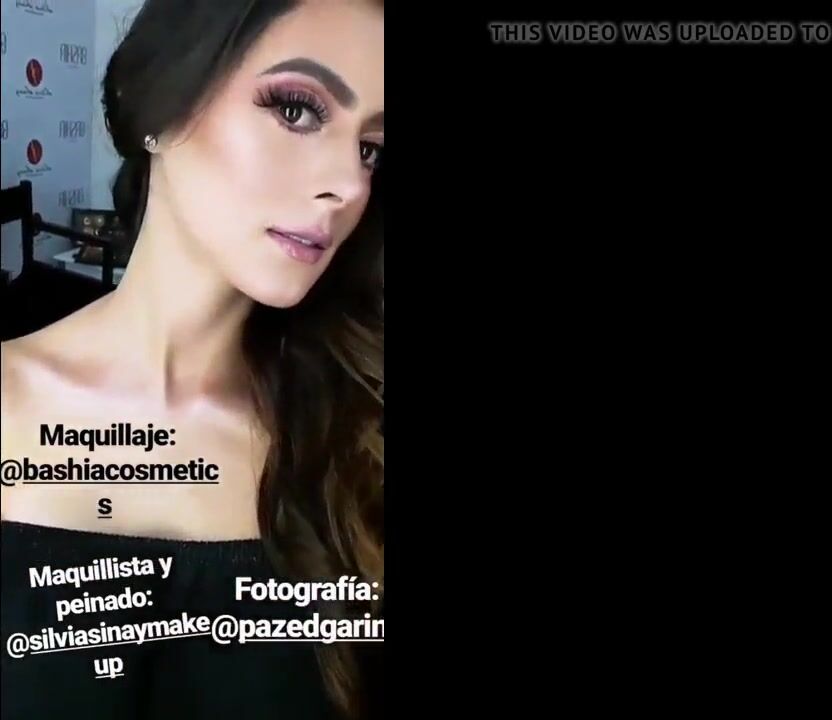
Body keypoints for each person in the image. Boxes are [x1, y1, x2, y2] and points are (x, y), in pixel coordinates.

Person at [0, 1, 384, 718]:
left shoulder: (359, 432)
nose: (350, 184)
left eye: (372, 148)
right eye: (297, 110)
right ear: (159, 106)